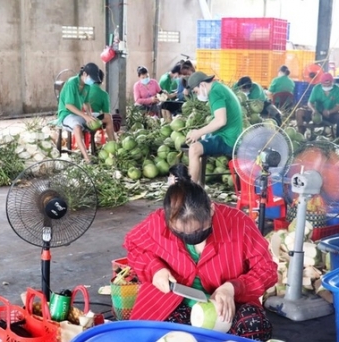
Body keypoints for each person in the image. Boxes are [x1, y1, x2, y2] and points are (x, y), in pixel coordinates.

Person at [123, 164, 277, 341]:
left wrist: (233, 288)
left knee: (253, 326)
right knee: (161, 334)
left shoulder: (238, 224)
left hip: (227, 306)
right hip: (173, 302)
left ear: (211, 210)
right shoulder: (158, 222)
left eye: (198, 230)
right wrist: (155, 269)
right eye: (181, 233)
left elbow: (267, 270)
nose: (190, 237)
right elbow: (134, 246)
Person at [186, 72, 243, 184]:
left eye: (196, 91)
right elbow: (218, 119)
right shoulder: (219, 87)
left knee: (194, 149)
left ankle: (190, 192)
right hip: (231, 135)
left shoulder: (214, 93)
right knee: (201, 143)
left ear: (202, 85)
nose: (197, 95)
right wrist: (200, 132)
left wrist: (198, 133)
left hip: (228, 140)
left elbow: (221, 121)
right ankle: (198, 186)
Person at [57, 62, 101, 164]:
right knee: (77, 127)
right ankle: (87, 159)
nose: (93, 81)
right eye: (92, 78)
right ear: (85, 74)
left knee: (107, 117)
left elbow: (86, 102)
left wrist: (89, 115)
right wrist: (85, 116)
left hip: (78, 114)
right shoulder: (71, 83)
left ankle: (114, 149)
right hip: (66, 115)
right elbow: (68, 105)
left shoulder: (87, 86)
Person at [299, 72, 339, 136]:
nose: (326, 86)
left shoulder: (337, 89)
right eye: (324, 85)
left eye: (328, 85)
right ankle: (300, 134)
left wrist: (329, 112)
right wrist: (313, 110)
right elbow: (310, 102)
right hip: (317, 113)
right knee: (299, 112)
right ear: (321, 83)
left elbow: (338, 106)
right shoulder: (316, 88)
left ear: (332, 82)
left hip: (332, 114)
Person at [87, 69, 116, 142]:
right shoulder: (104, 94)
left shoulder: (83, 89)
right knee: (109, 118)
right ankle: (112, 141)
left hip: (77, 116)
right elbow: (106, 111)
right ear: (101, 81)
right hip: (92, 118)